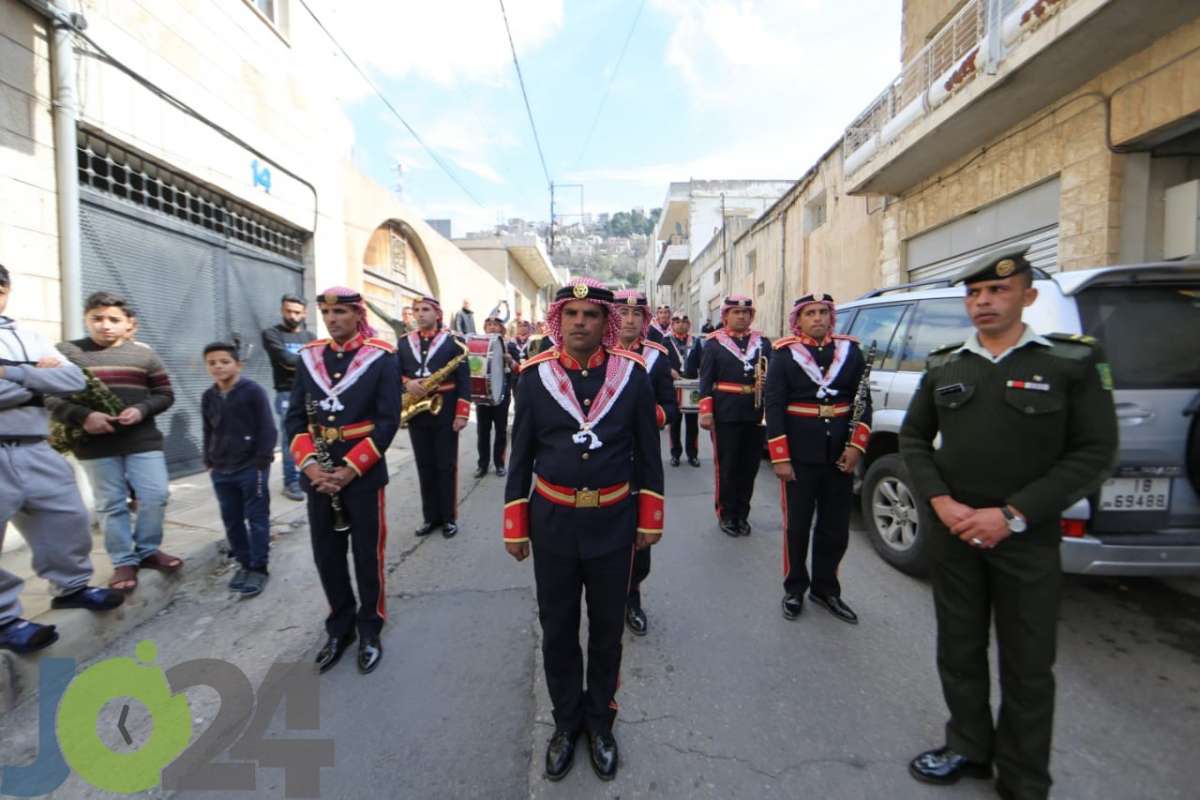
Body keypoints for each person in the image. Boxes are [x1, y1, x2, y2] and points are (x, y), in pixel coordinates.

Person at [898, 247, 1118, 800]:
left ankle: (1022, 775)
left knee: (1027, 662)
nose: (984, 302)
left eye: (997, 291)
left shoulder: (1070, 361)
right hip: (955, 533)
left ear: (1028, 295)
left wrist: (1015, 515)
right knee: (959, 646)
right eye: (974, 294)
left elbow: (1094, 451)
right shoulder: (947, 364)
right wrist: (942, 503)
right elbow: (913, 440)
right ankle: (968, 746)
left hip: (1025, 536)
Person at [503, 277, 664, 783]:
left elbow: (648, 455)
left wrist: (650, 518)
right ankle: (565, 722)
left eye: (590, 315)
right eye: (570, 314)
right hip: (552, 522)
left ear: (605, 322)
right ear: (558, 320)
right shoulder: (533, 377)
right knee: (558, 630)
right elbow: (521, 456)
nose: (579, 323)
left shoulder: (633, 376)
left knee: (607, 633)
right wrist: (515, 525)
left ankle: (601, 723)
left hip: (614, 522)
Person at [0, 265, 124, 653]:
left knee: (66, 517)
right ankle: (4, 619)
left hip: (36, 443)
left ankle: (71, 587)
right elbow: (52, 384)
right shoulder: (33, 349)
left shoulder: (27, 334)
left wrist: (11, 374)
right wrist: (36, 378)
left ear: (6, 289)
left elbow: (73, 380)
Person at [285, 287, 401, 675]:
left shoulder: (381, 357)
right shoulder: (309, 357)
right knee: (327, 555)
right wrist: (310, 468)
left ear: (357, 315)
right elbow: (296, 421)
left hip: (362, 473)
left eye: (340, 312)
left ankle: (370, 626)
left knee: (368, 554)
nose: (332, 319)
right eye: (327, 312)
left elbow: (388, 421)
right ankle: (341, 626)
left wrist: (352, 467)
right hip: (319, 473)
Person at [48, 291, 180, 593]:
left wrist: (142, 409)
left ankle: (147, 550)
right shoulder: (67, 352)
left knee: (155, 494)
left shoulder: (144, 355)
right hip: (94, 443)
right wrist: (84, 416)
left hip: (142, 438)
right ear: (86, 320)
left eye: (113, 319)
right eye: (97, 319)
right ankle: (123, 560)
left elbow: (165, 394)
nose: (105, 325)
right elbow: (49, 395)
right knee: (110, 504)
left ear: (128, 323)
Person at [765, 293, 870, 624]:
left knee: (835, 528)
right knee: (797, 526)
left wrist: (857, 446)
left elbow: (863, 401)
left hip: (839, 453)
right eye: (810, 313)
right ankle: (794, 587)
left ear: (831, 317)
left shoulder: (850, 352)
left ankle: (826, 590)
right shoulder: (783, 354)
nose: (818, 318)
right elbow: (775, 406)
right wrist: (780, 457)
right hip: (799, 455)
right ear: (799, 319)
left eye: (823, 312)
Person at [612, 289, 676, 637]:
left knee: (640, 537)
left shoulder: (657, 357)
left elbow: (672, 406)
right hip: (603, 460)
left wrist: (648, 415)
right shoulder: (596, 354)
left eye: (637, 314)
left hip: (641, 458)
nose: (631, 320)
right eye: (623, 312)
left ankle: (632, 597)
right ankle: (604, 597)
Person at [202, 342, 277, 599]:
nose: (218, 366)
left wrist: (261, 461)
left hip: (250, 468)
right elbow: (208, 430)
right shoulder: (208, 396)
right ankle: (245, 564)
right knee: (231, 519)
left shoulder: (253, 391)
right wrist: (208, 461)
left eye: (224, 361)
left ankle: (259, 567)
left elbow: (268, 428)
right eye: (212, 362)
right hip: (221, 469)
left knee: (256, 518)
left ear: (238, 364)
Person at [697, 295, 771, 537]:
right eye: (736, 312)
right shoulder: (714, 344)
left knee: (749, 468)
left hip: (755, 412)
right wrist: (706, 412)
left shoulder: (763, 343)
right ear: (726, 316)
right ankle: (726, 514)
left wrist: (766, 382)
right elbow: (706, 381)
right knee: (727, 467)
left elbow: (773, 375)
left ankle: (742, 514)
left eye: (746, 313)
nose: (741, 316)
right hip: (725, 412)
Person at [397, 296, 469, 538]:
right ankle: (430, 518)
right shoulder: (404, 343)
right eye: (416, 310)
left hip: (446, 410)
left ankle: (448, 518)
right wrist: (408, 383)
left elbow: (464, 381)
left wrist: (461, 414)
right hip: (418, 411)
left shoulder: (454, 342)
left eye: (425, 309)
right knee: (424, 466)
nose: (420, 314)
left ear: (437, 314)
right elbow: (394, 373)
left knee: (446, 466)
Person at [262, 294, 315, 502]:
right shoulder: (272, 334)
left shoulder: (310, 337)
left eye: (296, 312)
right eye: (288, 311)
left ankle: (306, 475)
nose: (292, 316)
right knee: (290, 437)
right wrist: (310, 359)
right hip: (286, 392)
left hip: (310, 392)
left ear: (304, 313)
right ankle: (290, 482)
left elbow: (313, 361)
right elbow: (284, 359)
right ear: (282, 310)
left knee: (311, 435)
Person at [474, 314, 512, 479]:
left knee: (501, 432)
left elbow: (521, 369)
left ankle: (500, 464)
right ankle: (482, 465)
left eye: (495, 324)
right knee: (483, 431)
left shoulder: (510, 346)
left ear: (502, 329)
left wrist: (510, 361)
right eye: (488, 324)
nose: (491, 327)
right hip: (483, 395)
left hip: (502, 395)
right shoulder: (478, 345)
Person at [666, 312, 702, 468]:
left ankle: (692, 455)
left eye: (684, 322)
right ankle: (675, 454)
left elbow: (703, 362)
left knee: (692, 423)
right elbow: (659, 360)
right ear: (672, 325)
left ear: (689, 325)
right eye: (677, 322)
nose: (681, 324)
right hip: (674, 386)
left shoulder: (696, 342)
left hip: (692, 386)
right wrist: (669, 370)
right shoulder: (665, 341)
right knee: (675, 422)